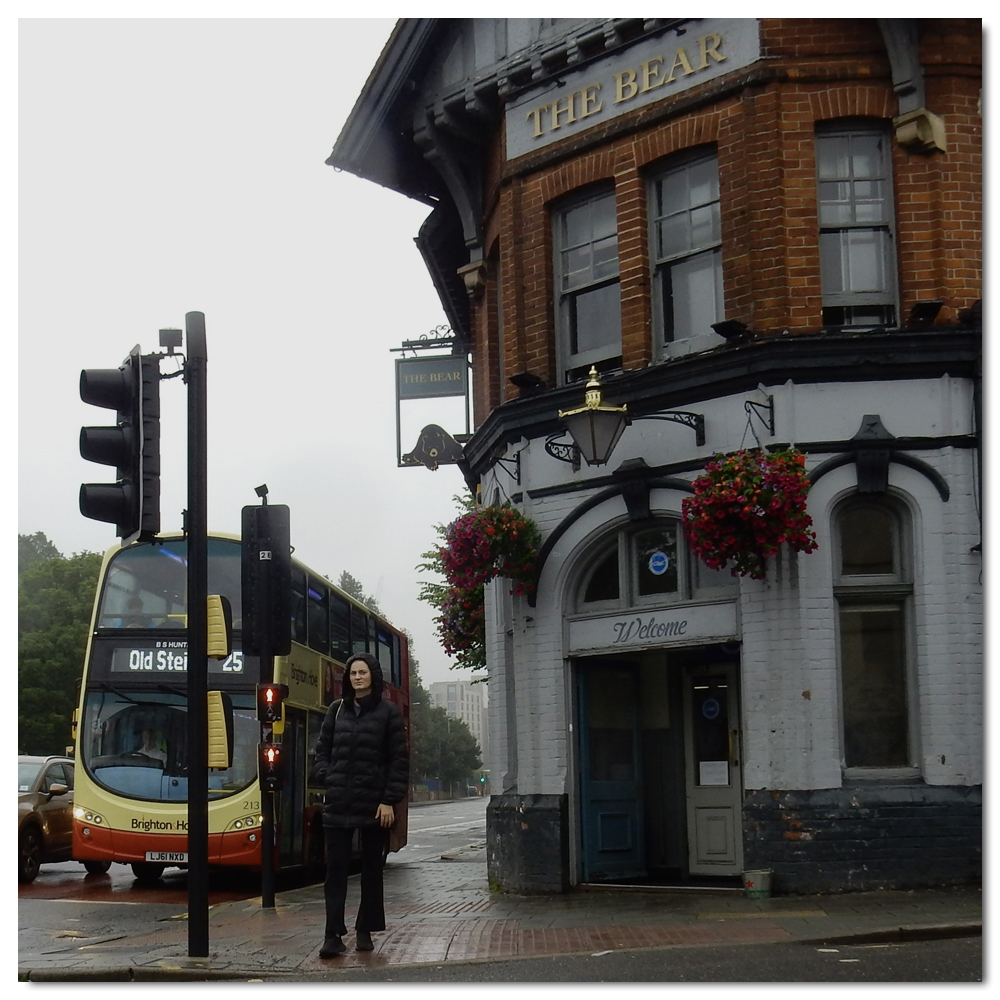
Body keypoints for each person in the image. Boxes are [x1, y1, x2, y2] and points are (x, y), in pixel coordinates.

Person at [312, 652, 408, 958]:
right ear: (348, 678)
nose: (357, 677)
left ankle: (365, 929)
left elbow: (398, 760)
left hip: (373, 803)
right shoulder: (336, 710)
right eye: (353, 673)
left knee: (370, 870)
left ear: (373, 676)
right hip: (338, 800)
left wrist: (388, 800)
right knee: (335, 870)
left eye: (363, 672)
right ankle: (332, 935)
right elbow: (322, 749)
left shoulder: (388, 713)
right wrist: (327, 774)